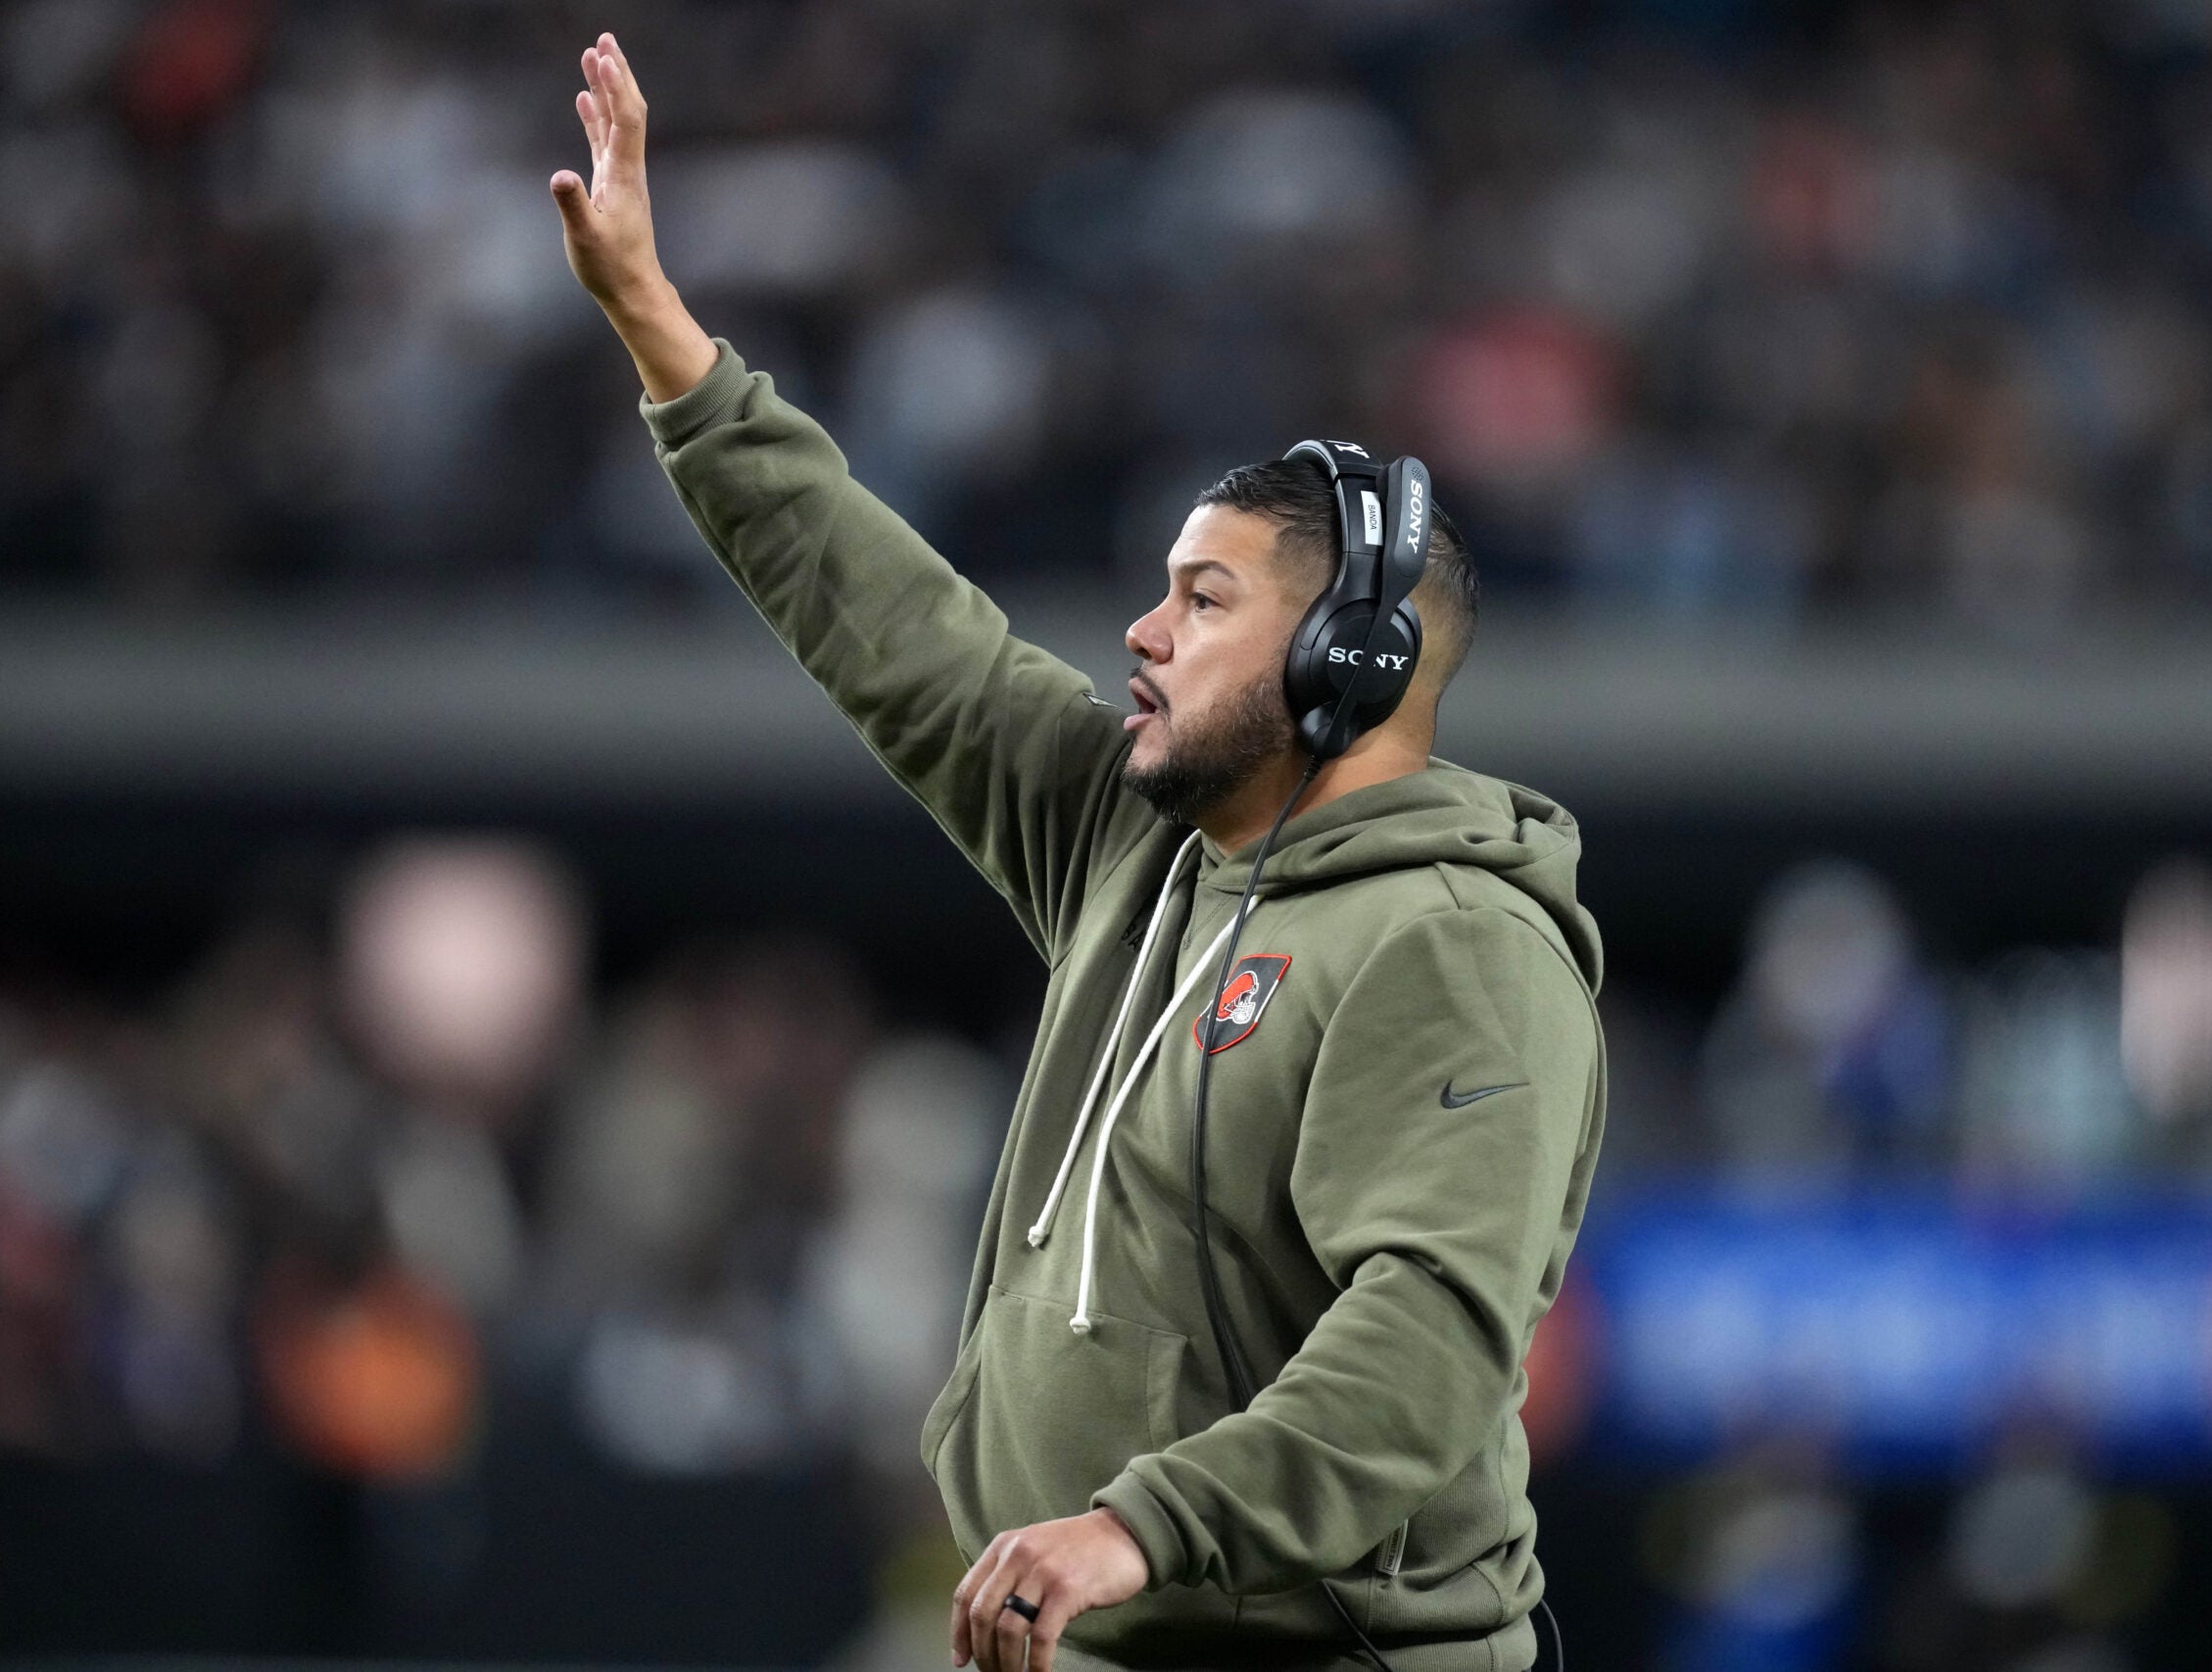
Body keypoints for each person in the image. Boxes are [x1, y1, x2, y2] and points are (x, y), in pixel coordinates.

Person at [550, 33, 1607, 1672]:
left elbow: (1428, 1345)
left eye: (1201, 600)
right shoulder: (1141, 849)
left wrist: (1141, 1525)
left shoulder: (1456, 941)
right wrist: (659, 330)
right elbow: (901, 635)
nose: (1142, 632)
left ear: (1354, 661)